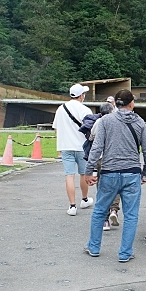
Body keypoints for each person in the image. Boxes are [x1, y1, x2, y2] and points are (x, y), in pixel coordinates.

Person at [83, 89, 146, 262]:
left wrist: (88, 171)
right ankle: (125, 253)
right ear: (131, 103)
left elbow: (97, 148)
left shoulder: (106, 120)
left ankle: (93, 247)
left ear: (115, 103)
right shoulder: (139, 122)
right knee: (131, 215)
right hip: (132, 174)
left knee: (99, 211)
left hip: (109, 173)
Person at [52, 83, 95, 216]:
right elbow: (92, 130)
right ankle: (84, 199)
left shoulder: (61, 109)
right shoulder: (85, 110)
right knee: (83, 173)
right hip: (82, 146)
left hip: (65, 146)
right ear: (81, 95)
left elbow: (56, 128)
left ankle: (72, 206)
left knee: (69, 175)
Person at [95, 99, 121, 231]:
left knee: (102, 188)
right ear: (112, 111)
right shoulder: (117, 122)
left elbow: (92, 138)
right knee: (116, 186)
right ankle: (114, 210)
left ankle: (105, 221)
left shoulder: (99, 122)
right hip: (115, 159)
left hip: (101, 160)